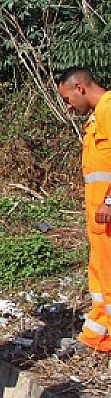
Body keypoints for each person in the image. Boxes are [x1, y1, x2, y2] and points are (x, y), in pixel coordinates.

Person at [57, 67, 111, 353]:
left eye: (67, 99)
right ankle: (98, 339)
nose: (67, 106)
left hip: (107, 214)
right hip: (100, 221)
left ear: (80, 87)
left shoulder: (108, 110)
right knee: (102, 278)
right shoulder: (95, 119)